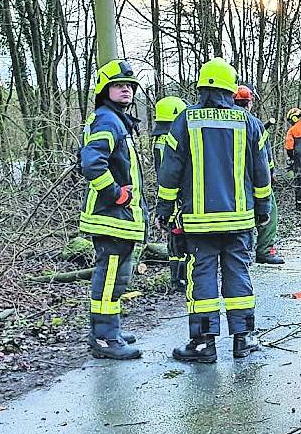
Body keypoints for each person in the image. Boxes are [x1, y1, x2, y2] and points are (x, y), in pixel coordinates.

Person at [156, 57, 272, 363]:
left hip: (199, 222)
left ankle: (203, 343)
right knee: (238, 275)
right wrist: (263, 209)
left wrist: (164, 208)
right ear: (231, 89)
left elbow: (170, 170)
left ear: (201, 87)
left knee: (202, 275)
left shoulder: (184, 120)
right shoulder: (250, 123)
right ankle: (243, 339)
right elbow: (262, 174)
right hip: (239, 219)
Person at [79, 59, 147, 360]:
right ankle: (104, 337)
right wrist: (116, 193)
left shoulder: (116, 120)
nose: (126, 90)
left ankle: (110, 330)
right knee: (109, 278)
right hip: (110, 217)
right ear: (105, 90)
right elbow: (92, 162)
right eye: (119, 85)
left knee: (118, 278)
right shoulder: (107, 120)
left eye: (130, 86)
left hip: (119, 219)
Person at [235, 86, 284, 264]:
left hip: (230, 179)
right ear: (249, 103)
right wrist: (271, 174)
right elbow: (265, 158)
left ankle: (241, 253)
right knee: (269, 209)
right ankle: (265, 250)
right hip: (252, 178)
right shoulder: (254, 123)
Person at [153, 96, 189, 291]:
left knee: (174, 239)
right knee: (179, 238)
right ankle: (180, 279)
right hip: (176, 196)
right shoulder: (172, 140)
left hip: (167, 194)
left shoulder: (160, 139)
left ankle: (177, 278)